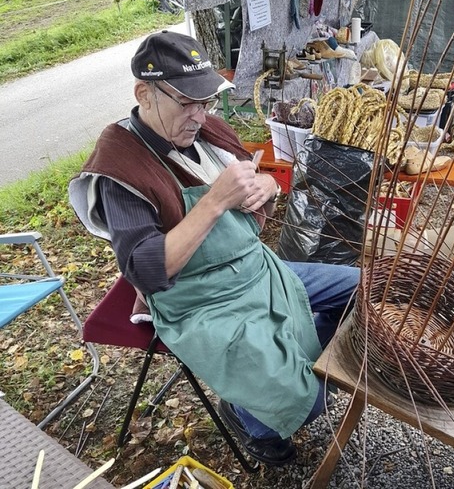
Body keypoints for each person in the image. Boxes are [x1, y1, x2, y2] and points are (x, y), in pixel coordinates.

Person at [68, 31, 360, 466]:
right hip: (197, 300)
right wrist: (214, 200)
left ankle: (287, 366)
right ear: (144, 94)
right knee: (312, 400)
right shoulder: (120, 165)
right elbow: (147, 271)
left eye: (206, 102)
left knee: (361, 289)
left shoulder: (209, 131)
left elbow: (257, 190)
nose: (200, 116)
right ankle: (249, 414)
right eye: (187, 103)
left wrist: (266, 188)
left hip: (253, 268)